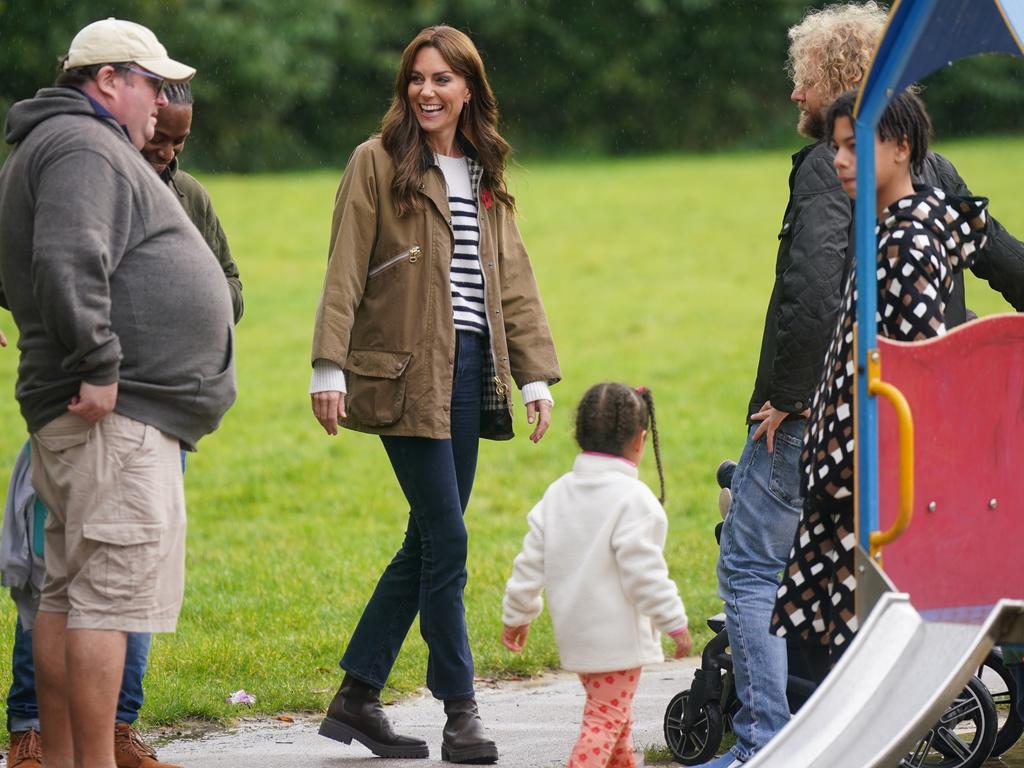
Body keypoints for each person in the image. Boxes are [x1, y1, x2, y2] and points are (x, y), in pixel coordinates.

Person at [706, 4, 1024, 767]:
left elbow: (823, 291)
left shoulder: (853, 190)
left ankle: (764, 738)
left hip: (857, 428)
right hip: (907, 432)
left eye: (804, 79)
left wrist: (789, 399)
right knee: (849, 592)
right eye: (838, 145)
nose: (797, 99)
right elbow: (1000, 254)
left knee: (757, 569)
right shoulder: (930, 186)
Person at [309, 25, 560, 763]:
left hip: (472, 371)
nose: (426, 90)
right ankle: (460, 710)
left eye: (442, 79)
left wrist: (535, 374)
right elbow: (344, 267)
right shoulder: (375, 162)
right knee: (448, 539)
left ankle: (357, 695)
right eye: (417, 77)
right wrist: (330, 366)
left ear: (469, 90)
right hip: (402, 372)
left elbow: (512, 278)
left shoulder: (484, 171)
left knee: (427, 539)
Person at [0, 18, 236, 768]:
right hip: (114, 414)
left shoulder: (65, 142)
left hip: (109, 415)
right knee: (102, 595)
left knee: (66, 592)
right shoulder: (81, 144)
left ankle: (71, 759)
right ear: (110, 81)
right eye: (154, 84)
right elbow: (68, 259)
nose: (163, 103)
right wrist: (101, 365)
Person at [771, 88, 988, 657]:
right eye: (835, 146)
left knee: (860, 652)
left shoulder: (910, 240)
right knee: (836, 652)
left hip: (872, 479)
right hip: (852, 472)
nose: (839, 160)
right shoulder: (884, 230)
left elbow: (912, 369)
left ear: (900, 148)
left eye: (854, 145)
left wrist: (863, 465)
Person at [501, 383, 692, 768]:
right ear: (640, 441)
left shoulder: (557, 494)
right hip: (616, 642)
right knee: (605, 721)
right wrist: (674, 622)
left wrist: (517, 616)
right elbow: (645, 573)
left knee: (615, 720)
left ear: (579, 436)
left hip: (576, 636)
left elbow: (529, 563)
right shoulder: (634, 500)